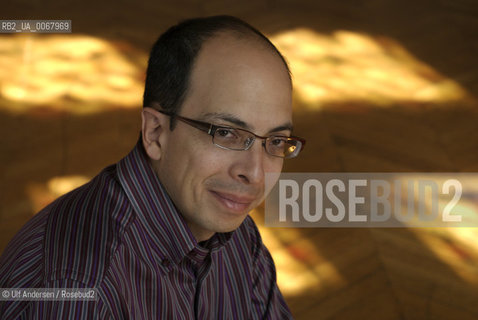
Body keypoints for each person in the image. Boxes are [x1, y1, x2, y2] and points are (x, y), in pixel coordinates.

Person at [0, 15, 305, 319]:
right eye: (225, 133)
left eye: (276, 141)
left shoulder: (239, 237)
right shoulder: (78, 289)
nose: (253, 174)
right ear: (155, 133)